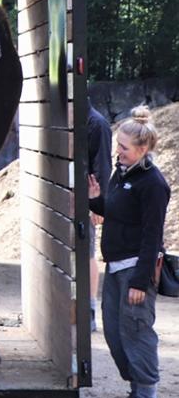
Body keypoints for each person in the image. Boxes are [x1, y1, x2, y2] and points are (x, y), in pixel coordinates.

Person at [88, 105, 170, 398]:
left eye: (123, 147)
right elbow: (116, 213)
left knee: (136, 332)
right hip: (116, 266)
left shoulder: (153, 184)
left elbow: (152, 237)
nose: (117, 152)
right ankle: (137, 394)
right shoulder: (122, 172)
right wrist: (96, 199)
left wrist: (140, 281)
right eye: (117, 145)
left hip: (136, 270)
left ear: (143, 149)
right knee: (115, 332)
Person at [87, 100, 112, 331]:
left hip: (89, 197)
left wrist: (97, 205)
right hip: (73, 197)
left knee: (86, 253)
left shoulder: (97, 124)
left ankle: (90, 309)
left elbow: (103, 167)